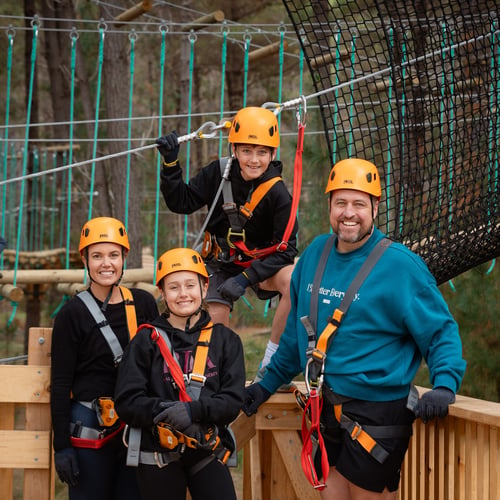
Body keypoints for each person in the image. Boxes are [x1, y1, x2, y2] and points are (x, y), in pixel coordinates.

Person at [242, 158, 467, 499]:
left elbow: (440, 332)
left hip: (377, 413)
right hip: (323, 408)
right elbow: (295, 338)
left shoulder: (400, 267)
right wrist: (265, 385)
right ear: (329, 205)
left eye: (359, 204)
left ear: (375, 208)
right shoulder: (316, 254)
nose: (349, 213)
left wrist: (445, 384)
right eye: (341, 203)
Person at [156, 106, 298, 380]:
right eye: (246, 151)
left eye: (261, 152)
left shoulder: (278, 194)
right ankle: (217, 380)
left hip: (260, 266)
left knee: (293, 279)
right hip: (219, 263)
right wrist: (171, 165)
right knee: (216, 324)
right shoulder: (218, 173)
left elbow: (287, 249)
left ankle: (271, 361)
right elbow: (181, 202)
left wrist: (246, 279)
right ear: (234, 149)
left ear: (273, 154)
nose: (253, 160)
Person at [114, 247, 245, 500]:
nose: (183, 294)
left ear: (204, 288)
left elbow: (232, 400)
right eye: (173, 287)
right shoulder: (145, 341)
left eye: (190, 285)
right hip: (158, 453)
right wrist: (166, 410)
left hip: (207, 450)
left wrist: (192, 411)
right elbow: (127, 401)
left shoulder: (226, 341)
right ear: (162, 293)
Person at [50, 216, 159, 500]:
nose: (106, 263)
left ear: (124, 257)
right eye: (96, 256)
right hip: (89, 424)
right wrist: (61, 446)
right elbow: (60, 384)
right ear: (85, 259)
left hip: (135, 424)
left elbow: (160, 366)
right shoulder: (71, 315)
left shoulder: (143, 303)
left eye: (113, 255)